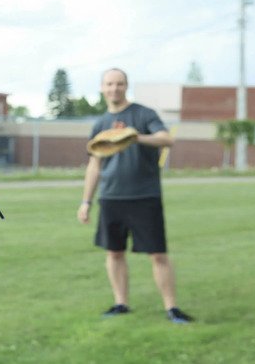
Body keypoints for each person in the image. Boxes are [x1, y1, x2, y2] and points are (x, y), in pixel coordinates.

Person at [77, 68, 194, 324]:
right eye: (109, 84)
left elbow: (166, 139)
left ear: (126, 86)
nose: (114, 88)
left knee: (158, 254)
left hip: (144, 196)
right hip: (111, 197)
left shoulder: (143, 114)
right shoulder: (100, 124)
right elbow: (94, 166)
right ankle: (121, 303)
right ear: (102, 88)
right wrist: (86, 201)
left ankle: (172, 308)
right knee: (114, 252)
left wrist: (134, 137)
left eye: (119, 84)